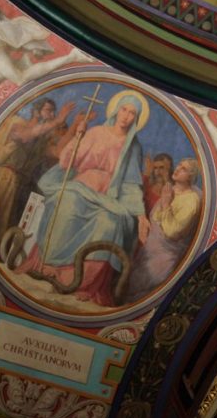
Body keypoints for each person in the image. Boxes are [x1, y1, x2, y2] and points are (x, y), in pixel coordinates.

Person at [18, 91, 149, 307]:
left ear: (136, 118)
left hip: (108, 197)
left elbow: (131, 184)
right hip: (81, 185)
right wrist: (78, 137)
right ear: (117, 109)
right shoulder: (97, 131)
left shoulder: (132, 146)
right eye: (124, 109)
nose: (126, 116)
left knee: (110, 223)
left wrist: (141, 215)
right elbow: (68, 161)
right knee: (66, 202)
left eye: (132, 113)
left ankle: (86, 285)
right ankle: (50, 268)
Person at [0, 97, 75, 257]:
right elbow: (24, 136)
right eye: (48, 111)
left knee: (2, 229)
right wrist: (57, 121)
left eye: (53, 112)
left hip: (13, 180)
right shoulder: (17, 122)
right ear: (35, 112)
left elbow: (57, 152)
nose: (51, 115)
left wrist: (76, 127)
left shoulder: (39, 140)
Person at [126, 158, 202, 302]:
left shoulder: (191, 200)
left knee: (147, 289)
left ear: (191, 177)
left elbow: (172, 232)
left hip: (165, 256)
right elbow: (156, 217)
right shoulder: (171, 189)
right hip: (149, 250)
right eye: (179, 165)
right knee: (134, 283)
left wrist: (166, 204)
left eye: (184, 169)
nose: (178, 169)